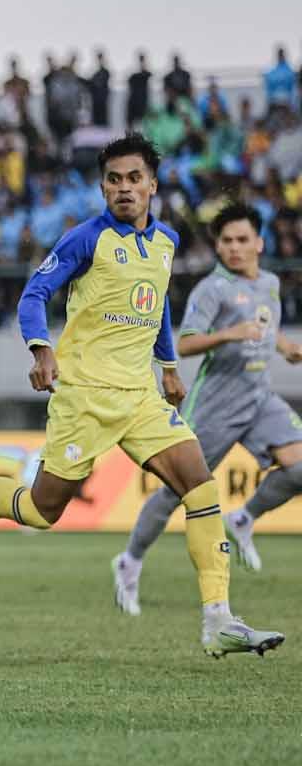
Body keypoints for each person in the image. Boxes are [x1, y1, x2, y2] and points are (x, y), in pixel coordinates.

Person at [0, 135, 284, 658]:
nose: (124, 188)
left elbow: (157, 306)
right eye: (114, 180)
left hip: (140, 396)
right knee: (40, 510)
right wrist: (41, 351)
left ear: (152, 185)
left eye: (134, 179)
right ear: (102, 186)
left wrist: (167, 368)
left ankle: (218, 619)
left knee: (200, 485)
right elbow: (33, 293)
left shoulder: (164, 242)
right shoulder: (86, 239)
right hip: (85, 398)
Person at [113, 201, 302, 599]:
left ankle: (245, 517)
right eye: (227, 241)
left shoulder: (268, 283)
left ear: (259, 243)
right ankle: (129, 560)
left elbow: (264, 330)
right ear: (217, 247)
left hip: (259, 399)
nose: (234, 247)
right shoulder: (212, 289)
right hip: (216, 408)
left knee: (299, 468)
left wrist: (285, 347)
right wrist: (229, 334)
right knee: (175, 492)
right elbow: (186, 343)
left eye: (242, 240)